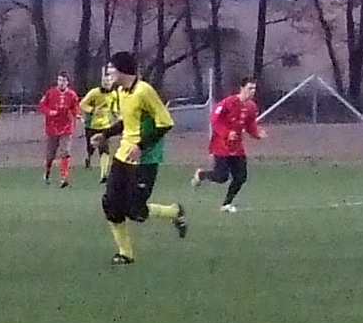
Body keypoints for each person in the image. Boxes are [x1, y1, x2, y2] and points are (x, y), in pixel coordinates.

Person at [100, 50, 187, 265]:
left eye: (111, 69)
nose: (108, 74)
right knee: (111, 204)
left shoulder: (144, 91)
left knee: (135, 211)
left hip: (145, 158)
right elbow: (128, 122)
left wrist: (140, 146)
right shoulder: (121, 92)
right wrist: (106, 134)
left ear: (122, 70)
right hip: (123, 156)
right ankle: (125, 253)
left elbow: (165, 123)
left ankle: (175, 212)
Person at [195, 76, 267, 209]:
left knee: (241, 177)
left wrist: (256, 133)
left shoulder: (252, 107)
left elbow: (250, 124)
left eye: (254, 89)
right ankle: (202, 174)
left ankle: (226, 204)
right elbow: (215, 119)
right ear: (241, 88)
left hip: (237, 146)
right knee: (221, 177)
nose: (252, 91)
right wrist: (226, 133)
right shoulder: (229, 103)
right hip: (221, 145)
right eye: (249, 88)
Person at [37, 73, 81, 186]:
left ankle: (64, 177)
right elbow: (42, 106)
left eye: (64, 81)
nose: (61, 83)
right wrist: (49, 112)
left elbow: (75, 107)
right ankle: (47, 172)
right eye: (60, 80)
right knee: (50, 154)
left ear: (67, 82)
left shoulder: (72, 95)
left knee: (65, 152)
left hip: (66, 127)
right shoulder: (50, 93)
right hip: (52, 127)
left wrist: (77, 114)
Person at [80, 76, 121, 173]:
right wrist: (93, 110)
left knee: (104, 150)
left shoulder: (113, 94)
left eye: (109, 81)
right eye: (105, 81)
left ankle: (104, 173)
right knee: (91, 147)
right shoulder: (94, 93)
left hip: (105, 126)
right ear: (101, 82)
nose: (107, 83)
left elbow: (114, 108)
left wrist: (118, 116)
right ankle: (88, 158)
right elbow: (82, 104)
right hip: (91, 125)